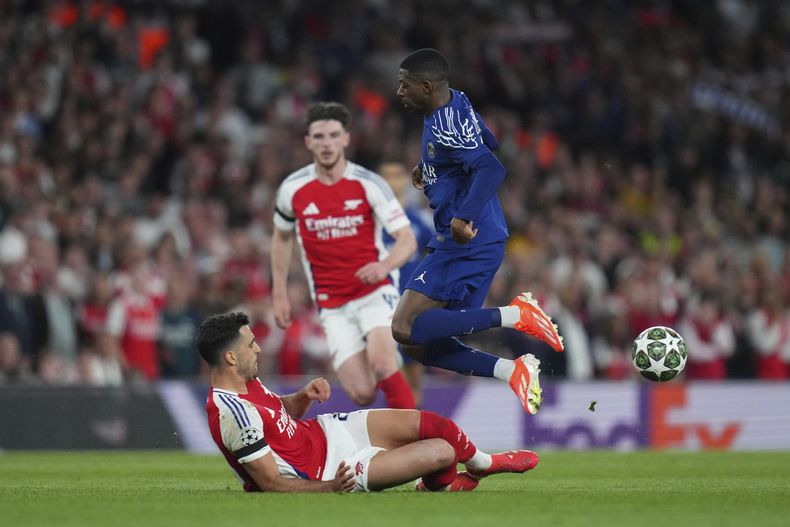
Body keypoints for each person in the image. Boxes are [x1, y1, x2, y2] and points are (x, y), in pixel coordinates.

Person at [392, 48, 564, 415]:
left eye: (405, 85)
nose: (399, 92)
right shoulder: (456, 101)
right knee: (418, 344)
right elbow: (487, 139)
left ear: (426, 87)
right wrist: (431, 165)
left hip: (466, 239)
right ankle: (512, 371)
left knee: (404, 327)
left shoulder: (444, 122)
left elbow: (491, 166)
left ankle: (517, 315)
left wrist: (462, 217)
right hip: (481, 240)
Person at [198, 312, 539, 493]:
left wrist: (301, 398)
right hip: (333, 469)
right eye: (251, 345)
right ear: (230, 357)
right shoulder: (232, 414)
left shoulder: (247, 381)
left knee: (435, 424)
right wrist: (330, 488)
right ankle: (442, 485)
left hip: (326, 431)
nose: (258, 349)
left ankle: (482, 463)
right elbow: (269, 484)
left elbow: (276, 415)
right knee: (442, 452)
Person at [271, 102, 417, 409]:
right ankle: (389, 363)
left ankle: (417, 433)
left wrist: (384, 266)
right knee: (362, 394)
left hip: (374, 291)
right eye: (319, 136)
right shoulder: (292, 189)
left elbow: (407, 239)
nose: (327, 144)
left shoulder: (369, 183)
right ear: (308, 142)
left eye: (333, 135)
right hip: (332, 304)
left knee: (381, 364)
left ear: (346, 139)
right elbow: (281, 238)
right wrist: (280, 294)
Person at [380, 160, 435, 405]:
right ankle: (400, 419)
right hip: (383, 306)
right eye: (386, 175)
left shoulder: (420, 220)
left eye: (397, 175)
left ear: (406, 180)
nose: (392, 181)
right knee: (393, 372)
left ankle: (414, 420)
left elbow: (435, 254)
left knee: (414, 372)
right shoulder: (373, 221)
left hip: (413, 306)